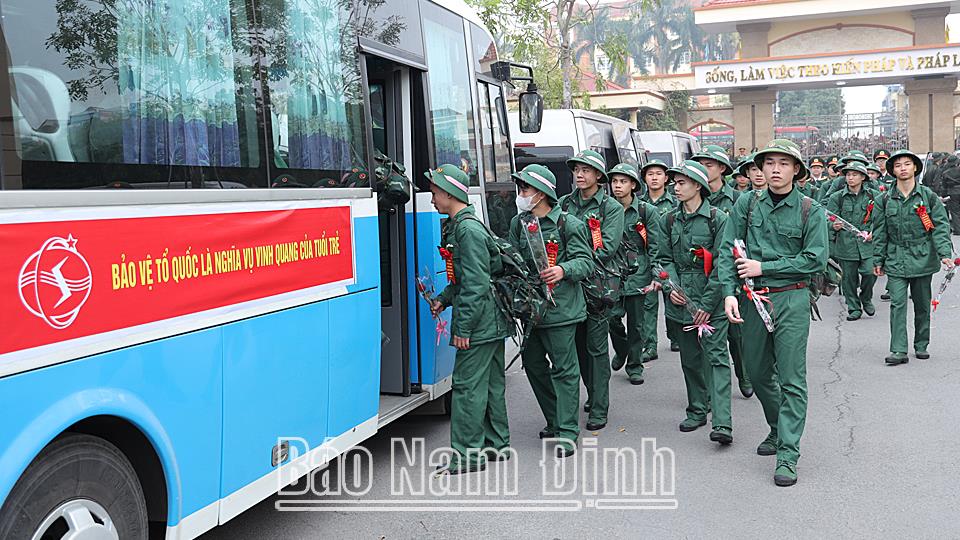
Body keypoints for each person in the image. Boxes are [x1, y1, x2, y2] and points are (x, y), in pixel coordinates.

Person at [718, 140, 829, 487]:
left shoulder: (811, 210)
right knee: (757, 372)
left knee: (792, 378)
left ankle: (788, 454)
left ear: (796, 169)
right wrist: (728, 292)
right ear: (761, 168)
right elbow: (728, 249)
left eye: (784, 163)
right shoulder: (747, 203)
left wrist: (764, 266)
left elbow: (815, 259)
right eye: (769, 163)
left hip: (791, 299)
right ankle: (777, 427)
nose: (776, 169)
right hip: (753, 299)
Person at [428, 164, 512, 474]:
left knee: (465, 387)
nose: (432, 200)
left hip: (480, 323)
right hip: (489, 319)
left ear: (450, 194)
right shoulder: (464, 226)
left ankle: (467, 456)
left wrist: (462, 329)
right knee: (490, 385)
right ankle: (496, 445)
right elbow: (465, 278)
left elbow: (476, 285)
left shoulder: (466, 230)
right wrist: (443, 298)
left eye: (435, 193)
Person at [508, 164, 593, 457]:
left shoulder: (569, 224)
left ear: (542, 193)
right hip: (531, 310)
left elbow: (586, 262)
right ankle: (555, 419)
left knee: (565, 370)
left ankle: (567, 432)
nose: (521, 194)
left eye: (526, 189)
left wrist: (563, 269)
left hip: (561, 311)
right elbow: (513, 259)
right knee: (533, 365)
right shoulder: (519, 223)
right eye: (520, 189)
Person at [658, 160, 733, 444]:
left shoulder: (718, 219)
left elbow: (723, 264)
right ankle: (698, 409)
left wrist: (706, 304)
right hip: (681, 304)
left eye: (682, 183)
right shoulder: (668, 219)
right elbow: (662, 259)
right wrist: (671, 287)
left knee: (716, 360)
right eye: (674, 183)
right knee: (690, 360)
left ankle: (722, 423)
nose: (675, 188)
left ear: (698, 186)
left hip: (712, 301)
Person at [558, 150, 624, 432]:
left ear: (599, 175)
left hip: (597, 286)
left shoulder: (612, 208)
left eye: (586, 170)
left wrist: (575, 255)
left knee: (596, 349)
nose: (580, 175)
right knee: (577, 347)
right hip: (569, 286)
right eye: (577, 170)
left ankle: (599, 406)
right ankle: (592, 393)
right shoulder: (563, 203)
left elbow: (606, 248)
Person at [872, 151, 955, 365]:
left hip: (922, 257)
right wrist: (878, 260)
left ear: (915, 168)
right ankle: (898, 349)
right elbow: (880, 232)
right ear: (893, 171)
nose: (903, 168)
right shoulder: (884, 199)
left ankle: (921, 344)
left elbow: (939, 227)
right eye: (898, 165)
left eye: (907, 164)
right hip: (896, 257)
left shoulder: (928, 197)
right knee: (897, 304)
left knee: (922, 305)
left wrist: (945, 254)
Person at [691, 145, 750, 399]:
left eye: (709, 165)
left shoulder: (736, 199)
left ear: (723, 169)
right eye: (700, 165)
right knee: (705, 336)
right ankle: (708, 392)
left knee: (736, 334)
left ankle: (744, 374)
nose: (704, 169)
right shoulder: (692, 196)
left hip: (732, 274)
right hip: (700, 277)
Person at [608, 163, 664, 385]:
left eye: (623, 181)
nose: (618, 186)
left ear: (633, 185)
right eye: (614, 181)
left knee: (637, 324)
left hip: (638, 273)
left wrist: (656, 274)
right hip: (611, 273)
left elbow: (655, 245)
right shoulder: (605, 209)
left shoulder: (645, 211)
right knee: (611, 317)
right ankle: (622, 349)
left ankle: (634, 365)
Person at [826, 161, 878, 321]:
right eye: (848, 174)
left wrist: (873, 232)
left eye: (855, 174)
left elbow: (880, 218)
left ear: (863, 177)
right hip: (846, 245)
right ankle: (854, 307)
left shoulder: (873, 196)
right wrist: (833, 226)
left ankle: (866, 297)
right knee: (848, 279)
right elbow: (828, 218)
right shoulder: (837, 197)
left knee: (870, 272)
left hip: (867, 244)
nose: (850, 178)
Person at [640, 159, 681, 355]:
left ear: (666, 178)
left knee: (672, 295)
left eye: (658, 174)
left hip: (668, 257)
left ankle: (675, 336)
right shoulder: (639, 204)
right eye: (650, 174)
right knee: (648, 302)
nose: (654, 178)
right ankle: (650, 345)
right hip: (646, 258)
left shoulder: (675, 202)